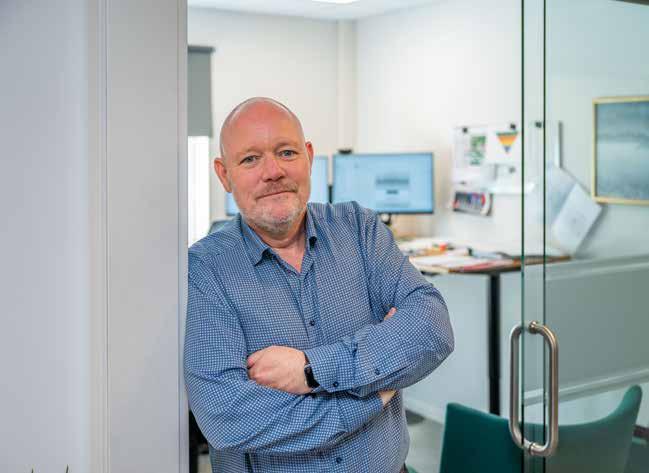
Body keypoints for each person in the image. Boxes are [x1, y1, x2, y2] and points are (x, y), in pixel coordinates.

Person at [184, 97, 454, 473]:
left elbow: (432, 328)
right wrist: (372, 394)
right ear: (224, 175)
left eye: (286, 152)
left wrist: (311, 369)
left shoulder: (360, 229)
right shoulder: (204, 270)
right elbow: (228, 417)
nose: (273, 171)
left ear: (308, 157)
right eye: (250, 159)